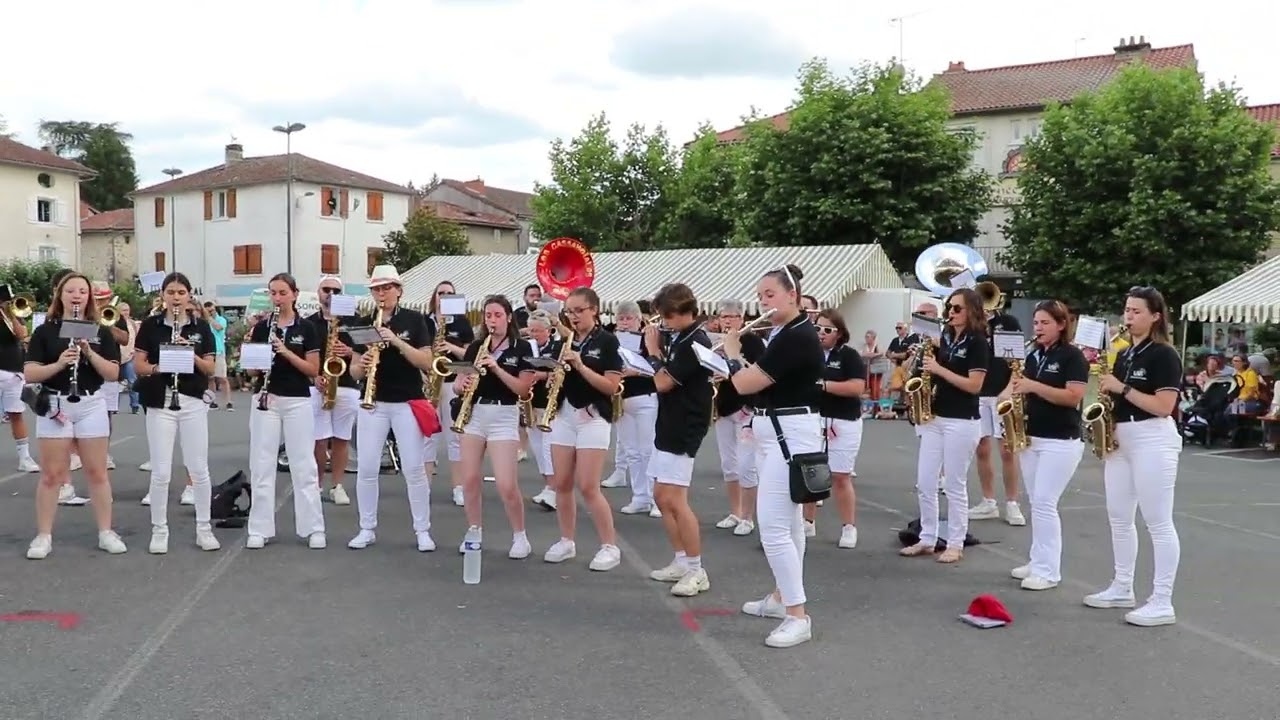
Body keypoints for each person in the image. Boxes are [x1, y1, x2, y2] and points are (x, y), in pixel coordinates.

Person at [720, 264, 823, 648]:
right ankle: (783, 598)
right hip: (776, 430)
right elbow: (763, 381)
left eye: (771, 294)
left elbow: (746, 383)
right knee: (791, 525)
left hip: (789, 434)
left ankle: (798, 615)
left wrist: (731, 356)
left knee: (775, 527)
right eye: (760, 295)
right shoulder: (783, 333)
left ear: (792, 296)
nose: (763, 301)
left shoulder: (796, 336)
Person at [1086, 286, 1183, 627]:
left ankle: (1161, 600)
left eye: (1136, 311)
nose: (1128, 317)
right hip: (1122, 437)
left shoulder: (1164, 354)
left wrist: (1121, 388)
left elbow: (1163, 407)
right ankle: (1122, 586)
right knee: (1118, 517)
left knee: (1157, 521)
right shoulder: (1124, 353)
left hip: (1153, 437)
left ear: (1156, 316)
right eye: (1126, 310)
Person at [23, 271, 125, 558]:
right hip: (56, 404)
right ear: (60, 295)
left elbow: (113, 373)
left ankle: (106, 531)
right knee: (52, 475)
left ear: (89, 296)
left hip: (91, 404)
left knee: (97, 472)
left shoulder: (100, 330)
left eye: (82, 291)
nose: (77, 295)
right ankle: (44, 535)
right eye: (70, 291)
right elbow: (29, 372)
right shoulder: (46, 330)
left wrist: (88, 353)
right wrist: (58, 364)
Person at [347, 265, 438, 552]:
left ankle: (422, 530)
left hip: (406, 401)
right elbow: (353, 372)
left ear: (399, 290)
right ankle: (366, 528)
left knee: (413, 468)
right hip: (373, 403)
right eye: (377, 288)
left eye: (387, 287)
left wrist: (394, 339)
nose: (382, 293)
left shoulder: (415, 320)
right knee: (367, 468)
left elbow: (426, 362)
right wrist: (360, 365)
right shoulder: (363, 322)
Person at [132, 272, 221, 554]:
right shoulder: (150, 325)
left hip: (192, 401)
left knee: (199, 468)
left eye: (181, 292)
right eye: (170, 292)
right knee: (160, 472)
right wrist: (161, 367)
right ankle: (160, 530)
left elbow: (209, 368)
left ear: (189, 295)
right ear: (163, 295)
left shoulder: (201, 328)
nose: (175, 297)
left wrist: (189, 353)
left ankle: (204, 528)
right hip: (161, 401)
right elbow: (139, 366)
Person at [900, 287, 989, 564]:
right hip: (935, 417)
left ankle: (956, 542)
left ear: (972, 310)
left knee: (954, 484)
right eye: (949, 307)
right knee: (925, 481)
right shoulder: (948, 337)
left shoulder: (977, 342)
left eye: (957, 308)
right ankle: (927, 537)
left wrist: (939, 369)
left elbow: (975, 385)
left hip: (961, 420)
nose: (950, 312)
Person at [1003, 300, 1088, 590]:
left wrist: (1032, 386)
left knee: (1044, 503)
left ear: (1061, 324)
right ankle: (1038, 559)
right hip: (1032, 436)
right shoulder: (1034, 355)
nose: (1037, 328)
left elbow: (1073, 396)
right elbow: (1019, 388)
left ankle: (1049, 571)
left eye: (1045, 323)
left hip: (1060, 439)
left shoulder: (1072, 357)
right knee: (1036, 501)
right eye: (1036, 323)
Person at [542, 287, 624, 571]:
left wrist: (580, 365)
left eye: (579, 310)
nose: (573, 317)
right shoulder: (562, 342)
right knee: (562, 483)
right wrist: (553, 377)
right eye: (569, 311)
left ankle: (609, 546)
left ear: (594, 310)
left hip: (593, 415)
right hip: (564, 415)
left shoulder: (608, 342)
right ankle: (567, 540)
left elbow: (611, 386)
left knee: (589, 485)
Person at [244, 272, 326, 550]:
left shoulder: (307, 328)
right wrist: (255, 357)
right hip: (266, 398)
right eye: (273, 293)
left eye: (282, 293)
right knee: (261, 463)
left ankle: (313, 527)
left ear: (294, 294)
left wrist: (285, 351)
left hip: (297, 400)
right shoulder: (261, 327)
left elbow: (312, 370)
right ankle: (259, 529)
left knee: (304, 464)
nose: (276, 298)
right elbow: (251, 371)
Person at [642, 283, 715, 596]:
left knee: (675, 499)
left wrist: (654, 353)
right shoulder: (680, 336)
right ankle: (681, 560)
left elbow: (662, 383)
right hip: (669, 420)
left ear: (684, 312)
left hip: (686, 424)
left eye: (668, 316)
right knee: (660, 495)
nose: (664, 322)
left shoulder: (694, 341)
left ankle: (698, 570)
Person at [452, 295, 536, 558]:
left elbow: (523, 389)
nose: (492, 320)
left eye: (498, 315)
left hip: (504, 414)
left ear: (508, 317)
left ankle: (520, 536)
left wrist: (496, 368)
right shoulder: (476, 346)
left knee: (506, 484)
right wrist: (461, 384)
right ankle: (474, 530)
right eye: (488, 315)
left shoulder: (521, 348)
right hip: (474, 412)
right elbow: (457, 381)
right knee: (469, 479)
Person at [711, 299, 765, 537]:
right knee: (728, 464)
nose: (728, 321)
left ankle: (748, 517)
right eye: (724, 317)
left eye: (733, 317)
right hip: (724, 406)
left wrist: (734, 360)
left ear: (742, 319)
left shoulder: (753, 342)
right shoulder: (715, 342)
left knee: (746, 464)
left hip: (746, 407)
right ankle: (735, 511)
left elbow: (757, 371)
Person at [970, 299, 1026, 526]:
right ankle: (988, 501)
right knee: (981, 449)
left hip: (1002, 393)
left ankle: (1012, 503)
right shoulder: (974, 325)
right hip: (979, 393)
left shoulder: (1007, 322)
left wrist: (1009, 388)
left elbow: (1017, 360)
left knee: (1007, 450)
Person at [812, 309, 865, 549]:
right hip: (813, 419)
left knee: (840, 476)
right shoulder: (808, 354)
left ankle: (849, 526)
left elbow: (857, 387)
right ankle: (807, 521)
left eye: (827, 330)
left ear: (839, 333)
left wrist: (824, 386)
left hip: (843, 420)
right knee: (810, 472)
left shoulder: (849, 355)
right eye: (817, 328)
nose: (820, 333)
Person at [610, 301, 662, 517]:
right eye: (621, 318)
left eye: (629, 318)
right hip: (623, 398)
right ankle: (640, 496)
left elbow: (657, 365)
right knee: (631, 450)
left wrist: (635, 371)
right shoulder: (612, 341)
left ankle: (656, 498)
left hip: (645, 396)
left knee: (648, 449)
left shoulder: (646, 340)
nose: (624, 322)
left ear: (638, 319)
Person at [426, 280, 475, 506]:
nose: (444, 297)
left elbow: (471, 353)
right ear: (434, 297)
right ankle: (423, 485)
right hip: (428, 382)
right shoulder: (425, 322)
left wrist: (451, 348)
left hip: (452, 381)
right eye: (441, 293)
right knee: (428, 436)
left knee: (455, 437)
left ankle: (459, 487)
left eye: (450, 294)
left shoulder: (462, 323)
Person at [307, 275, 355, 506]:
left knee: (341, 439)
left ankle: (337, 485)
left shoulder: (353, 322)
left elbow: (367, 354)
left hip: (346, 384)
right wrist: (313, 377)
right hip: (318, 386)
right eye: (326, 289)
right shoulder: (307, 323)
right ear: (318, 292)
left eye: (336, 290)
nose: (331, 294)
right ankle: (316, 484)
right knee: (319, 439)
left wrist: (349, 351)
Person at [524, 310, 559, 511]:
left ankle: (554, 488)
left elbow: (558, 371)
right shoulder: (527, 347)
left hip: (548, 402)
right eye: (531, 330)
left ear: (548, 330)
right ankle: (548, 485)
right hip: (531, 401)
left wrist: (540, 375)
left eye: (538, 330)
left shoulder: (556, 347)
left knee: (548, 447)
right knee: (537, 448)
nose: (534, 334)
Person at [0, 290, 39, 472]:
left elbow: (22, 334)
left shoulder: (13, 315)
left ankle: (25, 458)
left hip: (14, 371)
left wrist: (10, 314)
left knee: (16, 414)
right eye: (5, 301)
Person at [205, 301, 233, 410]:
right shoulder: (205, 322)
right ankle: (212, 401)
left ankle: (228, 401)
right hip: (209, 351)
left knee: (222, 378)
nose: (210, 313)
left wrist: (209, 318)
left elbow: (219, 328)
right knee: (211, 378)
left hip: (219, 351)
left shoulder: (221, 320)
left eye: (212, 310)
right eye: (208, 311)